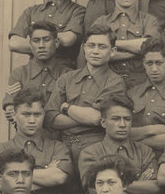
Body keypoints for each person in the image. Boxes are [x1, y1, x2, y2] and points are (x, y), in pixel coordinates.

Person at [44, 26, 127, 164]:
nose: (95, 51)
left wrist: (66, 108)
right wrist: (85, 117)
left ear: (112, 51)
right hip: (62, 148)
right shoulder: (67, 78)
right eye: (91, 46)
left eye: (102, 47)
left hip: (96, 148)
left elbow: (97, 118)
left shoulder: (115, 82)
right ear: (84, 48)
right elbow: (50, 118)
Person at [0, 88, 72, 194]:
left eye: (37, 114)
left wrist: (11, 175)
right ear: (14, 116)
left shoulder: (57, 148)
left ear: (44, 115)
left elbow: (59, 177)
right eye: (26, 114)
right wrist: (45, 174)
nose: (32, 120)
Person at [7, 0, 86, 69]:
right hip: (34, 75)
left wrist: (35, 43)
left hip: (63, 74)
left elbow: (68, 39)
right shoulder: (32, 11)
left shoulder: (78, 11)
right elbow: (14, 43)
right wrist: (50, 44)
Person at [77, 94, 159, 194]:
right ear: (103, 122)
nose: (122, 124)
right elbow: (94, 191)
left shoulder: (144, 151)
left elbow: (154, 188)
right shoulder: (90, 153)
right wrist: (137, 185)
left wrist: (109, 183)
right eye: (116, 119)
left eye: (127, 119)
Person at [90, 0, 163, 90]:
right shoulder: (101, 22)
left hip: (142, 84)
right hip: (107, 83)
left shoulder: (149, 20)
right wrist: (137, 52)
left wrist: (112, 44)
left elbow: (150, 48)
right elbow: (98, 54)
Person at [2, 21, 70, 130]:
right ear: (30, 44)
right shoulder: (19, 74)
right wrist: (10, 108)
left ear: (56, 43)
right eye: (36, 41)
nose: (41, 45)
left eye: (46, 40)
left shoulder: (68, 75)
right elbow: (11, 109)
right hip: (27, 140)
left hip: (59, 140)